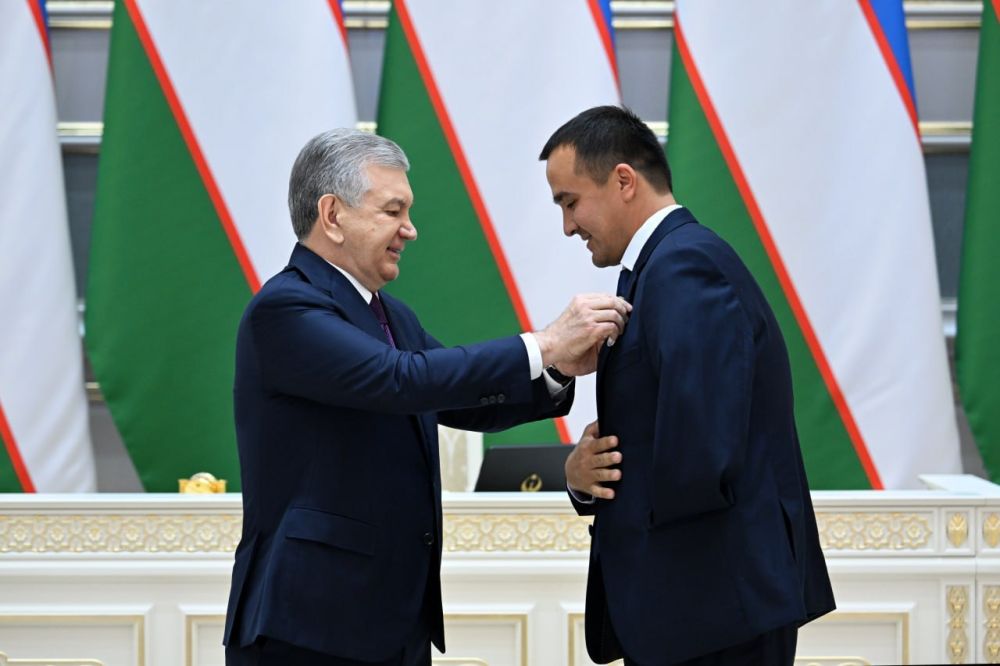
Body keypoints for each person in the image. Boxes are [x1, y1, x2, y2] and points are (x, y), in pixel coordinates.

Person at [223, 128, 630, 665]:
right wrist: (545, 342)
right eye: (393, 211)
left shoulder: (390, 315)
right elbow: (401, 379)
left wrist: (556, 368)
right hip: (310, 624)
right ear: (332, 215)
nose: (410, 230)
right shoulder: (285, 309)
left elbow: (460, 398)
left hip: (390, 622)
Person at [540, 106, 835, 666]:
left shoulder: (683, 266)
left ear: (623, 180)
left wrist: (600, 491)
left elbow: (702, 450)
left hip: (710, 609)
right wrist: (582, 479)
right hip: (705, 608)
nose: (568, 226)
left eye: (570, 202)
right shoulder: (664, 266)